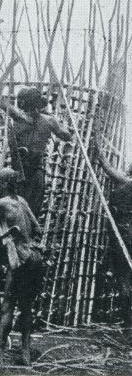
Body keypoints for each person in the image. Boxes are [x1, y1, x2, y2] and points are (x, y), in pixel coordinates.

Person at [0, 168, 45, 367]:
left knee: (8, 305)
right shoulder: (21, 200)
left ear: (4, 185)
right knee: (26, 307)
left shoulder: (1, 204)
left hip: (19, 259)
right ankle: (25, 353)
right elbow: (38, 229)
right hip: (34, 257)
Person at [0, 86, 72, 217]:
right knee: (31, 211)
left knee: (16, 209)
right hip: (36, 171)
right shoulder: (49, 120)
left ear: (23, 103)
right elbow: (66, 135)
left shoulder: (19, 117)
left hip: (19, 172)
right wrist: (52, 121)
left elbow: (0, 101)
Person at [92, 137, 132, 337]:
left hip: (123, 236)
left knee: (124, 280)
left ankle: (127, 323)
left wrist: (97, 145)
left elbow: (106, 166)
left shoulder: (124, 183)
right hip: (126, 234)